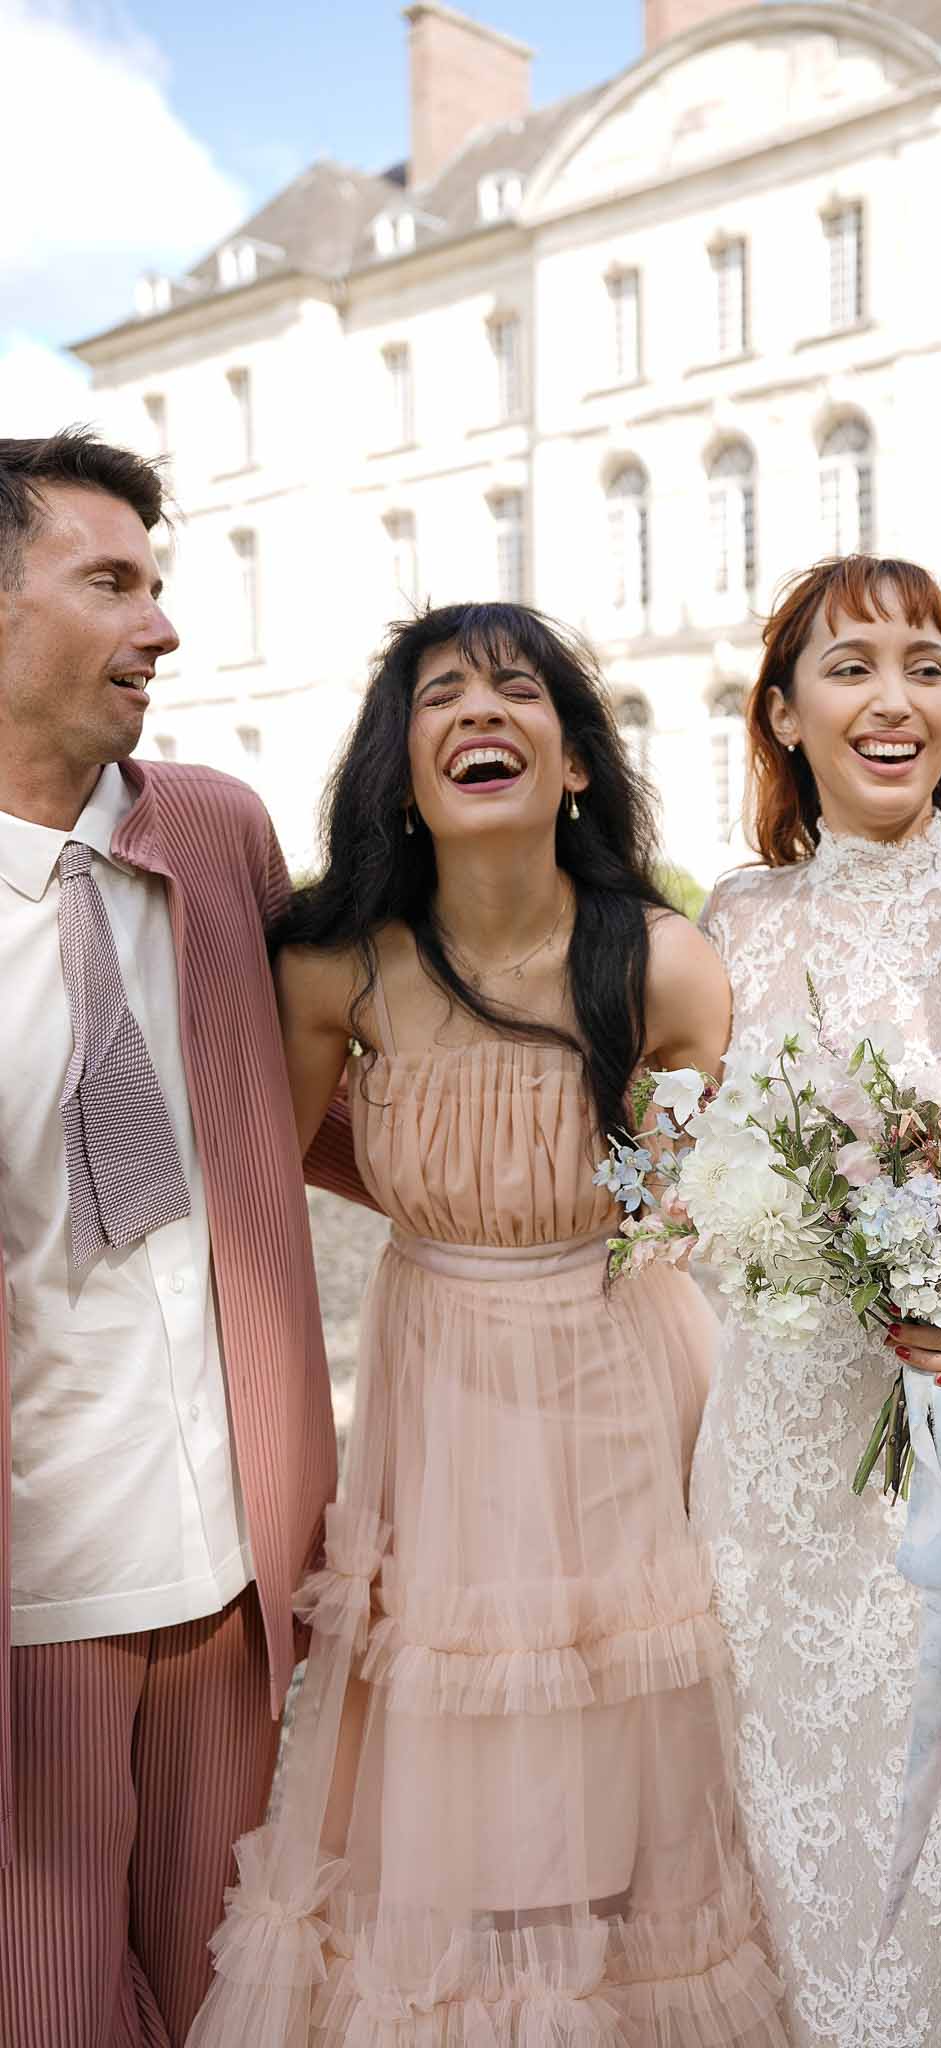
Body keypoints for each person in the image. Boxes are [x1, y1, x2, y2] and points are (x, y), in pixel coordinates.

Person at [186, 600, 789, 2045]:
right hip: (437, 1383)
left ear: (574, 761)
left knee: (627, 1705)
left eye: (518, 694)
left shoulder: (668, 965)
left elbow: (721, 1188)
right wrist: (441, 1197)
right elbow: (276, 1165)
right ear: (401, 772)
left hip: (624, 1369)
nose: (480, 716)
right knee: (450, 1712)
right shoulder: (339, 968)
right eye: (440, 696)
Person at [689, 554, 941, 2047]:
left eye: (926, 665)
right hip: (782, 1466)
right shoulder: (723, 930)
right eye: (852, 665)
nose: (896, 698)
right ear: (785, 713)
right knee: (783, 1828)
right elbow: (685, 1189)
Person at [0, 431, 358, 2047]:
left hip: (233, 1562)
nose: (162, 628)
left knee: (240, 1985)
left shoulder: (215, 832)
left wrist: (610, 1188)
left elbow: (358, 1108)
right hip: (36, 1593)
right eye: (112, 585)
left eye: (161, 585)